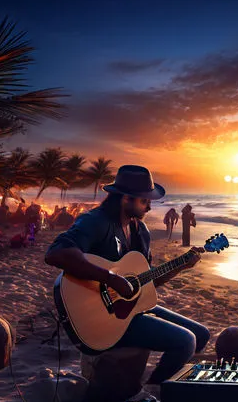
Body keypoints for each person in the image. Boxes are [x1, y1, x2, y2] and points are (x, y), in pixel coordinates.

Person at [45, 165, 210, 386]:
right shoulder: (96, 221)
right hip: (100, 316)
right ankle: (151, 391)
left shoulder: (140, 231)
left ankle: (158, 386)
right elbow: (57, 253)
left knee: (201, 334)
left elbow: (145, 281)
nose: (150, 206)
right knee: (186, 341)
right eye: (145, 200)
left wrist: (180, 266)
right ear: (125, 199)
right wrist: (110, 278)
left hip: (129, 308)